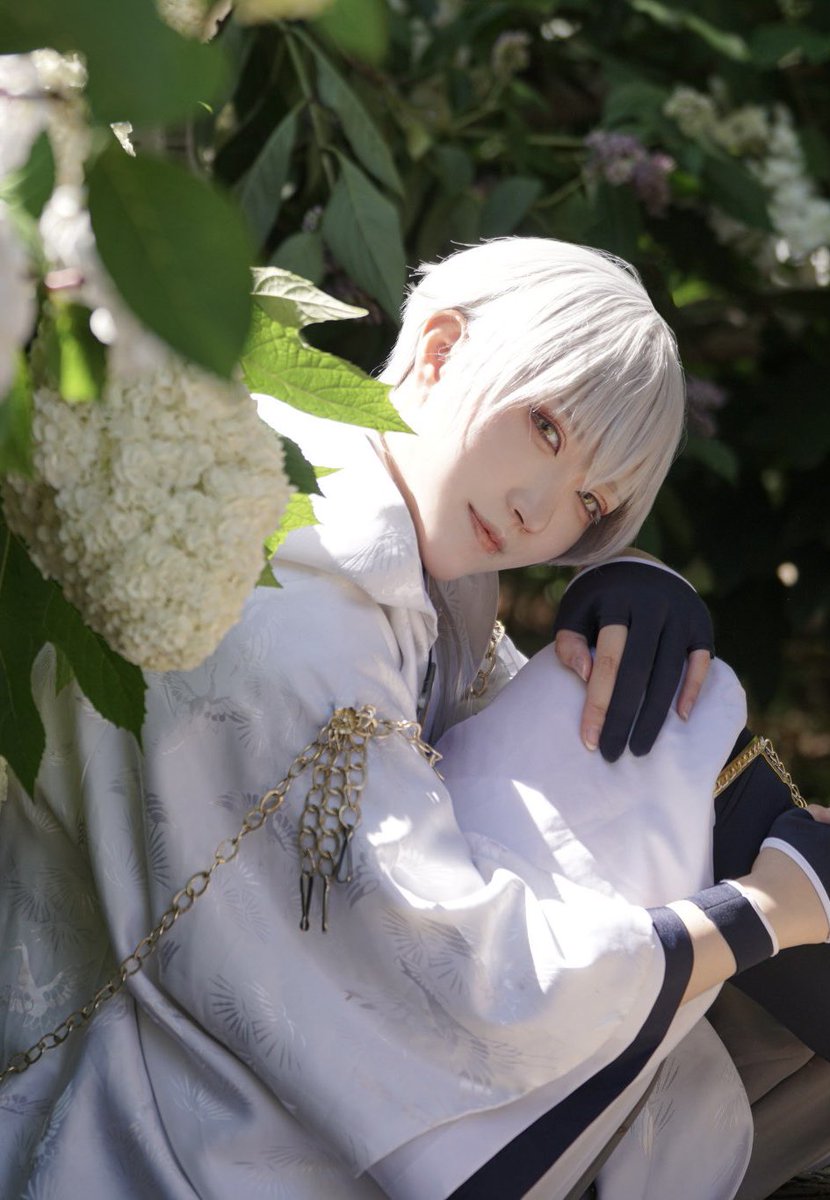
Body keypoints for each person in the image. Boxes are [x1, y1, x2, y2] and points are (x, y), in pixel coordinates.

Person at [1, 238, 828, 1200]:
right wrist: (762, 913)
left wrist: (628, 586)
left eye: (590, 502)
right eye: (546, 429)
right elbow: (437, 976)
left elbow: (482, 721)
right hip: (155, 1126)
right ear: (437, 349)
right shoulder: (298, 608)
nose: (539, 515)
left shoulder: (389, 555)